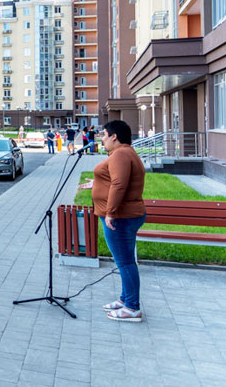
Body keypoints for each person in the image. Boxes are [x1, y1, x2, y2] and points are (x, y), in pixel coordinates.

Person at [78, 119, 146, 322]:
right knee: (125, 260)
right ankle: (126, 299)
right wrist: (97, 183)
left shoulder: (121, 154)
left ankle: (132, 308)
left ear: (114, 136)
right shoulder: (124, 153)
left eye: (104, 135)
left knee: (125, 262)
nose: (102, 139)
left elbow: (119, 184)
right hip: (124, 215)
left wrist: (111, 212)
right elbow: (117, 180)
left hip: (121, 217)